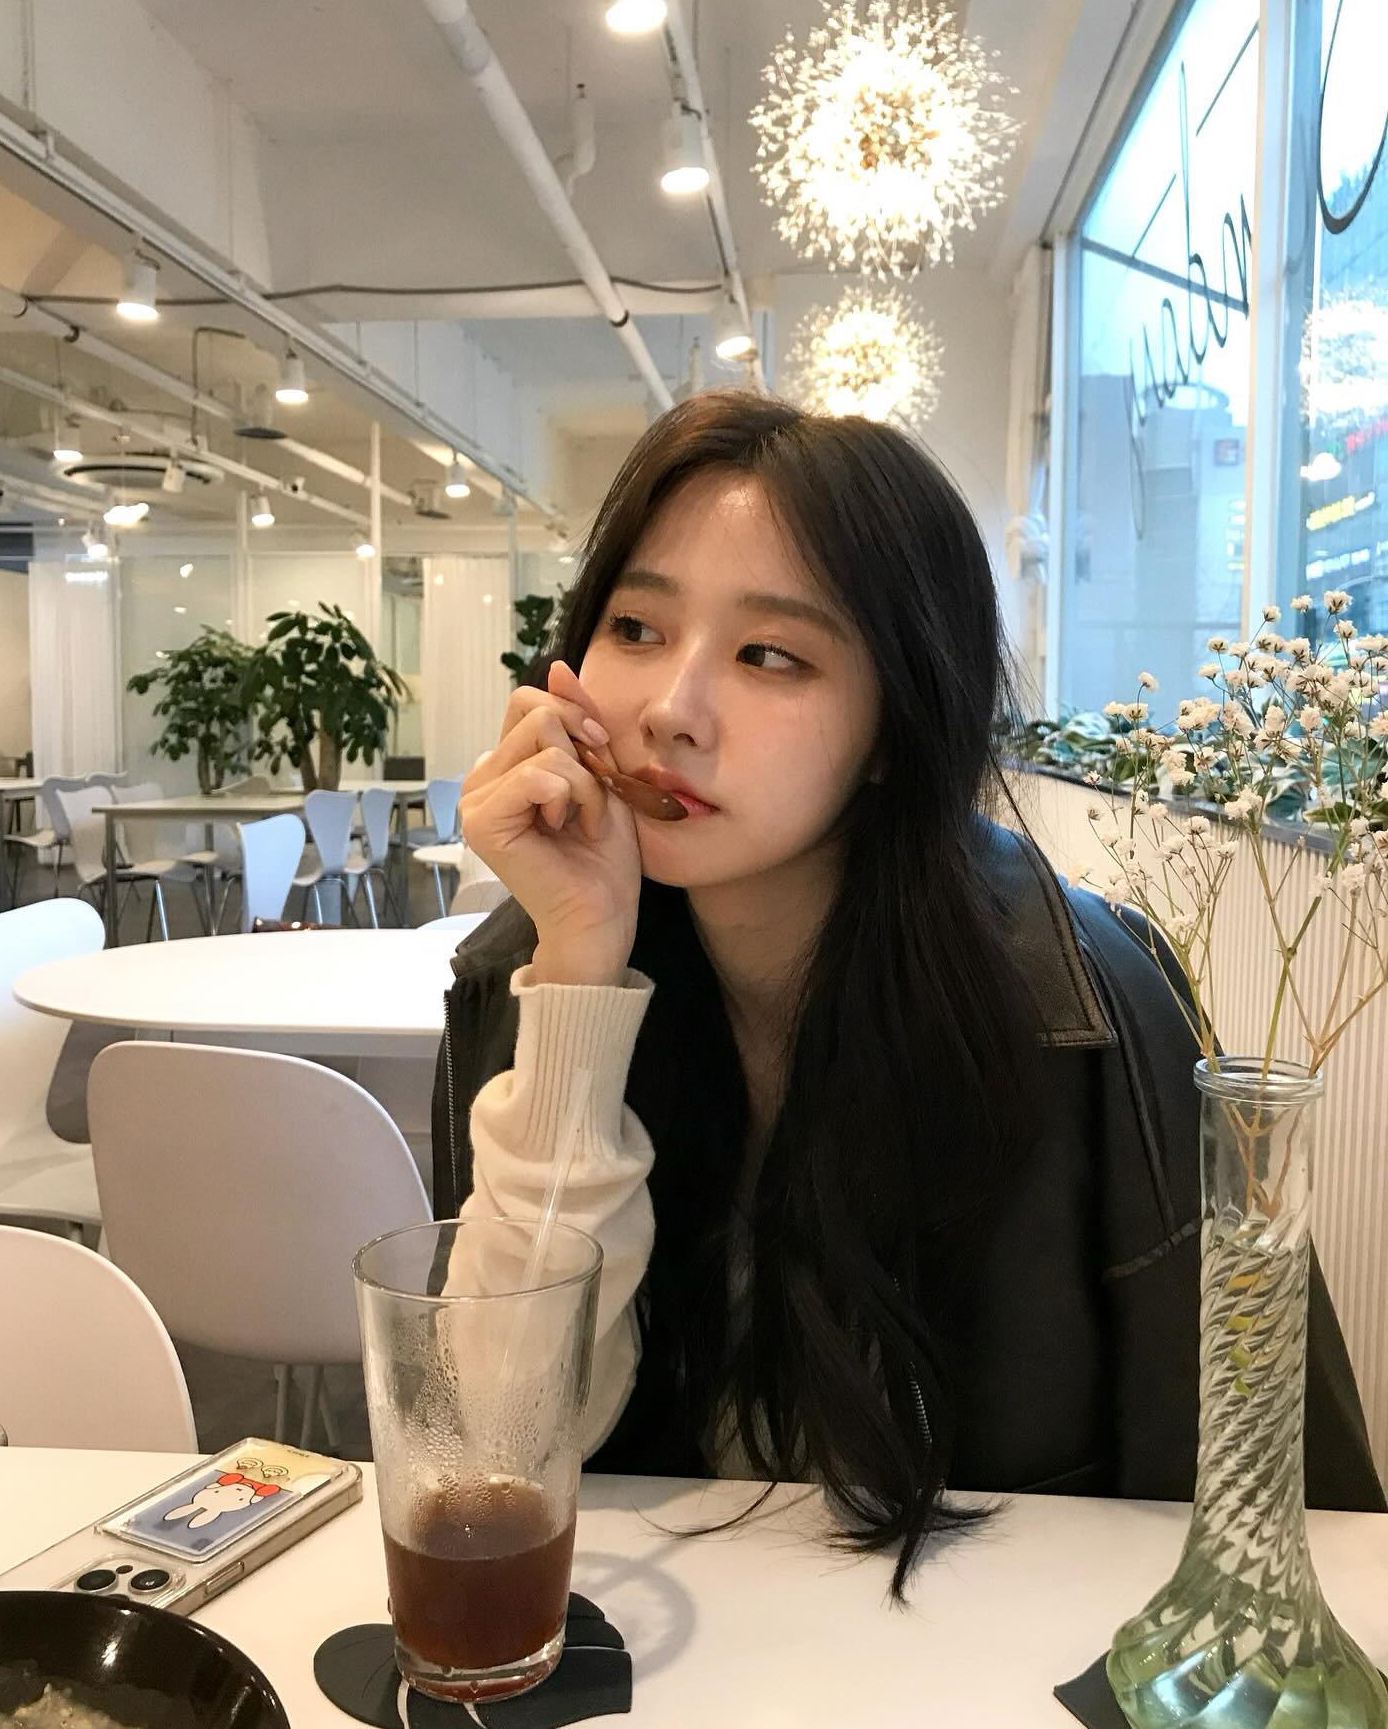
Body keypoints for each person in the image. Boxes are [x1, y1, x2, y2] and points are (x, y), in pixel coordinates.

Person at [431, 390, 1383, 1596]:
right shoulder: (528, 974)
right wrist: (580, 963)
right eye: (635, 627)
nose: (671, 708)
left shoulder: (1089, 1007)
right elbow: (503, 1447)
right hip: (669, 1644)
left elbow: (1285, 1514)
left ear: (893, 724)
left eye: (770, 654)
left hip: (985, 1648)